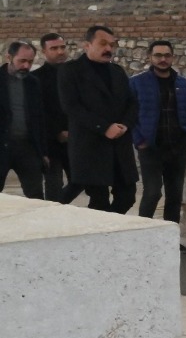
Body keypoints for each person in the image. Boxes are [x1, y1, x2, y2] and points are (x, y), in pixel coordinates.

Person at [56, 25, 138, 214]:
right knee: (98, 201)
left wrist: (124, 125)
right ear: (87, 45)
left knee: (127, 196)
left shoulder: (117, 71)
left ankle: (106, 231)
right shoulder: (71, 71)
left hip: (119, 146)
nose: (108, 49)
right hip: (90, 147)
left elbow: (132, 103)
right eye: (103, 43)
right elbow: (71, 107)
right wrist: (104, 127)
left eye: (112, 44)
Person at [129, 40, 186, 238]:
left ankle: (170, 239)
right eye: (158, 55)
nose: (162, 59)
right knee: (152, 193)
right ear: (150, 57)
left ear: (172, 57)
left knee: (175, 196)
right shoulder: (137, 83)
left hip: (177, 147)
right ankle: (141, 236)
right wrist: (139, 140)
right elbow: (129, 114)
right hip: (150, 147)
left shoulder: (182, 84)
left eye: (166, 55)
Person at [1, 41, 48, 199]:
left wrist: (43, 152)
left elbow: (40, 118)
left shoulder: (33, 83)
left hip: (27, 147)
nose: (26, 66)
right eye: (22, 61)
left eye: (30, 61)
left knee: (35, 196)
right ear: (9, 57)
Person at [34, 32, 77, 203]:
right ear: (44, 51)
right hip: (50, 142)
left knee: (81, 179)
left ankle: (58, 207)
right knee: (53, 184)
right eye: (54, 48)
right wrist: (57, 132)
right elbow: (38, 112)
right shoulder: (36, 79)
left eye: (62, 47)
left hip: (76, 138)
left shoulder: (76, 74)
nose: (60, 52)